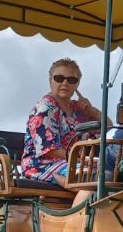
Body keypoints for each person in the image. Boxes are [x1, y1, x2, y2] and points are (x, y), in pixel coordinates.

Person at [19, 58, 103, 186]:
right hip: (42, 165)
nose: (65, 83)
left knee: (107, 172)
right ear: (50, 80)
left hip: (71, 162)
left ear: (77, 84)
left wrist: (92, 111)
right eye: (59, 78)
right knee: (90, 177)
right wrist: (81, 159)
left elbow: (107, 126)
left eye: (71, 80)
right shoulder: (45, 108)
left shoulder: (78, 109)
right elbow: (50, 150)